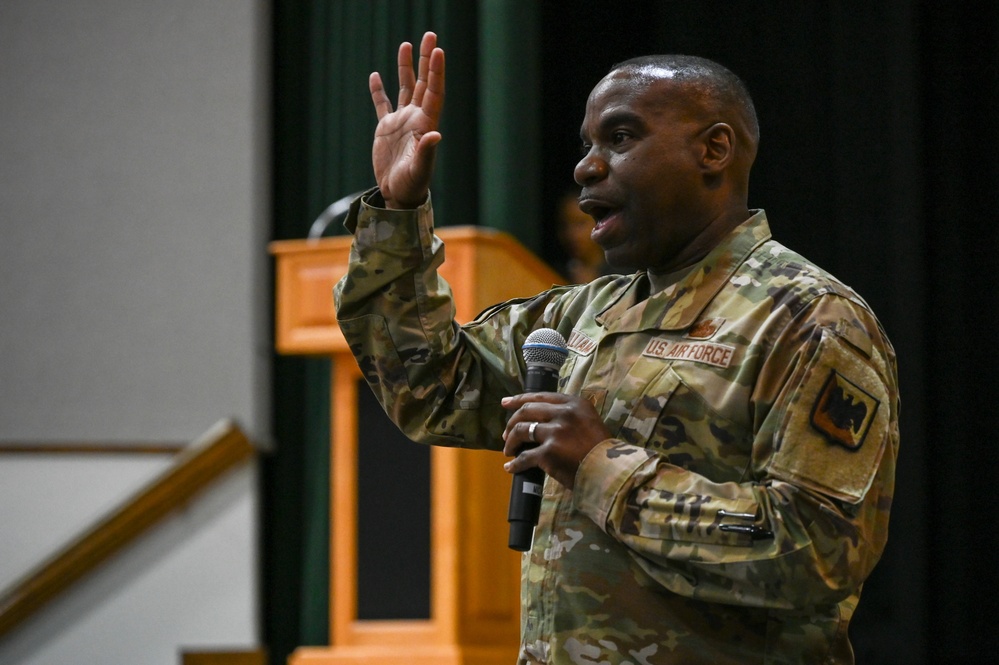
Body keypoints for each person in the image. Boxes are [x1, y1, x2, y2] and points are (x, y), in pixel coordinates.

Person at [334, 31, 899, 665]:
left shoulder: (807, 319)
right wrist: (397, 212)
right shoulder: (577, 313)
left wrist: (600, 467)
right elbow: (431, 386)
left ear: (714, 149)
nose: (586, 167)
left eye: (621, 138)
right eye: (587, 146)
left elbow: (815, 555)